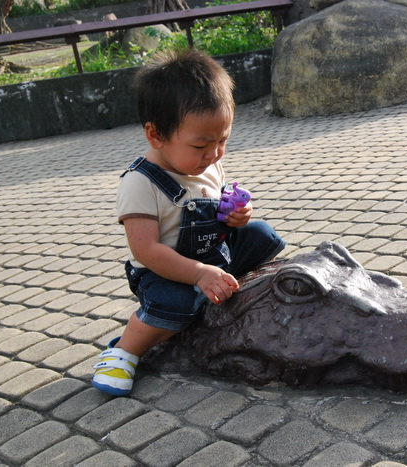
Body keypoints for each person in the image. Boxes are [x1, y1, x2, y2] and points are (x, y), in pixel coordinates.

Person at [92, 49, 286, 396]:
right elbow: (146, 250)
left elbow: (217, 212)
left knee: (262, 236)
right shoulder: (140, 183)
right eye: (201, 145)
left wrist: (236, 217)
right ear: (156, 136)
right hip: (164, 271)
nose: (213, 154)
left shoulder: (208, 165)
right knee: (174, 304)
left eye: (222, 140)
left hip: (213, 253)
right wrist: (197, 274)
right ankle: (125, 350)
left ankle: (212, 291)